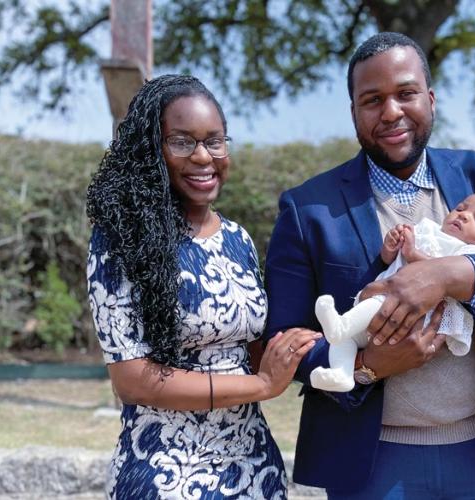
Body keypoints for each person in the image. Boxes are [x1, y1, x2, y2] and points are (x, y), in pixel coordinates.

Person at [264, 32, 475, 499]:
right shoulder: (308, 209)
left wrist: (447, 274)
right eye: (372, 100)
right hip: (373, 466)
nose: (391, 112)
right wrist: (367, 365)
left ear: (430, 98)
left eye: (406, 94)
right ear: (353, 111)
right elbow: (283, 338)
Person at [85, 74, 321, 499]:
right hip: (165, 472)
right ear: (150, 151)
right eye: (181, 142)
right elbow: (133, 380)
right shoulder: (119, 240)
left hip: (253, 467)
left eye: (215, 141)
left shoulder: (238, 238)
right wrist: (262, 386)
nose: (202, 156)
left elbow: (251, 346)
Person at [311, 185, 475, 392]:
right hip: (380, 306)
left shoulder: (473, 253)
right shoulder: (428, 230)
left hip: (411, 311)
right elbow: (389, 261)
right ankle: (342, 374)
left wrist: (412, 253)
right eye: (460, 208)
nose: (463, 215)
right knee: (346, 340)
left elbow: (441, 272)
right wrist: (391, 248)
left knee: (361, 318)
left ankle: (340, 325)